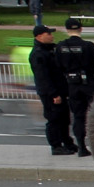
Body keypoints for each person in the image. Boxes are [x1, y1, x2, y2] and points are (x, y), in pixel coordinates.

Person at [57, 19, 94, 159]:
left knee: (78, 116)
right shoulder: (88, 46)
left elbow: (58, 67)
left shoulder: (61, 47)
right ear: (81, 29)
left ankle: (81, 146)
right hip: (89, 84)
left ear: (67, 29)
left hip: (72, 86)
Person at [28, 25, 74, 155]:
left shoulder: (49, 50)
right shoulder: (38, 54)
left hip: (60, 90)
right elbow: (43, 77)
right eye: (48, 34)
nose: (51, 36)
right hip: (51, 93)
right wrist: (54, 94)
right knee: (54, 119)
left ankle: (67, 142)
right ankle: (56, 146)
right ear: (39, 36)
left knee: (64, 118)